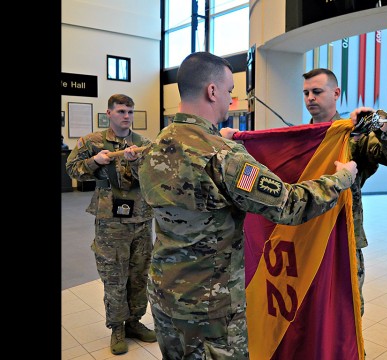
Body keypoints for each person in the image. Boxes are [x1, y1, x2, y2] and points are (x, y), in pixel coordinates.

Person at [136, 51, 358, 359]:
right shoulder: (224, 156)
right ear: (211, 91)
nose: (231, 100)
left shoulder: (152, 147)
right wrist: (340, 179)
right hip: (209, 307)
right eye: (229, 91)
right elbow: (289, 205)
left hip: (164, 294)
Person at [302, 68, 387, 316]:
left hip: (343, 236)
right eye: (306, 92)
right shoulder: (300, 138)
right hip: (306, 238)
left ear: (336, 93)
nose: (310, 97)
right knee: (308, 315)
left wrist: (380, 123)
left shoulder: (354, 135)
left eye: (317, 91)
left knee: (345, 314)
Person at [65, 94, 157, 355]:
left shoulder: (142, 144)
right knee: (115, 275)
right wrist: (95, 161)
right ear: (109, 113)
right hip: (110, 221)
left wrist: (135, 162)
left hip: (140, 217)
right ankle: (117, 327)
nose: (126, 116)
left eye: (130, 111)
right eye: (120, 111)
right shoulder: (92, 142)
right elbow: (71, 169)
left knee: (139, 274)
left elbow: (151, 178)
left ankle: (134, 321)